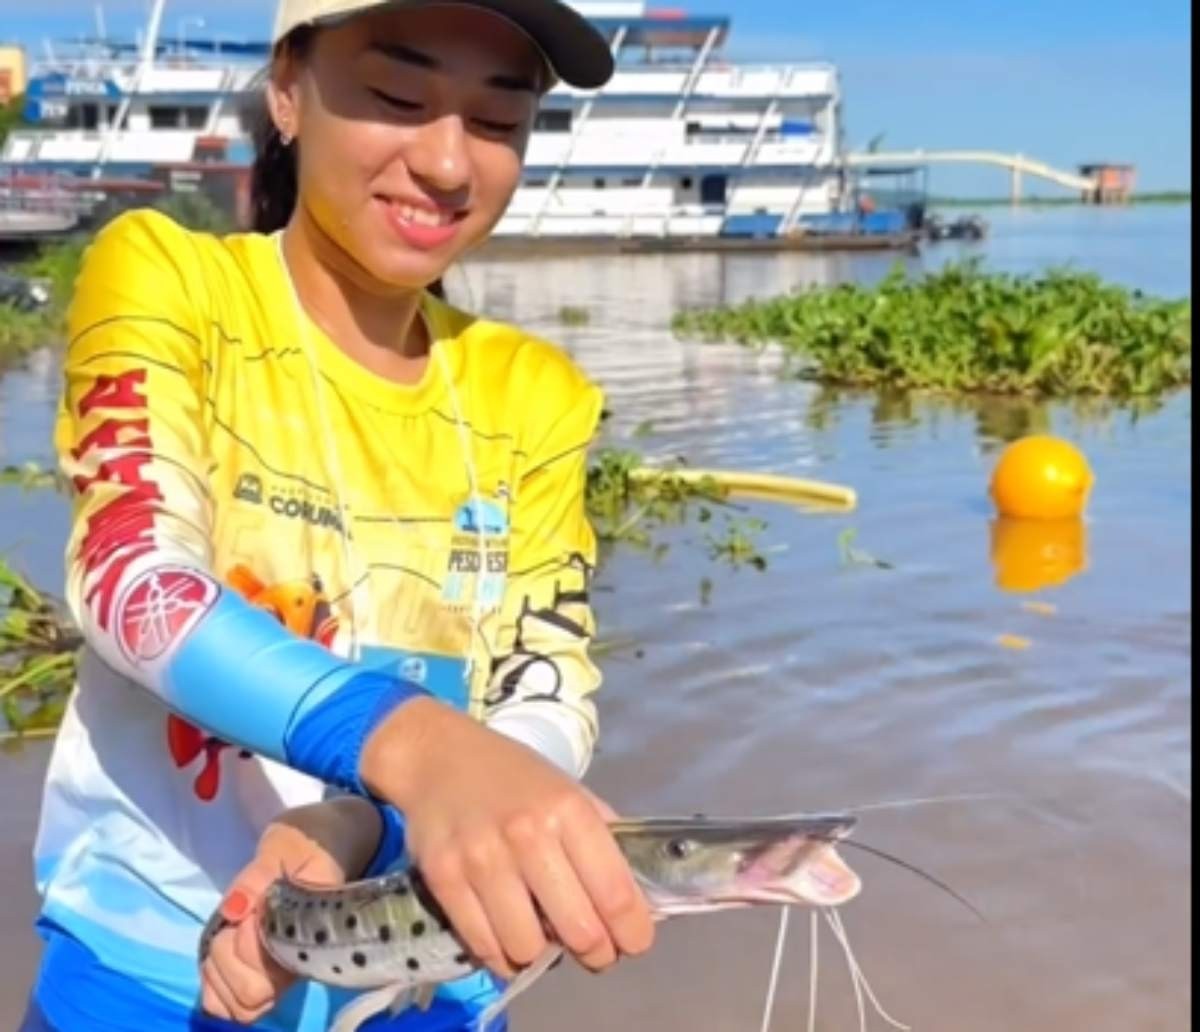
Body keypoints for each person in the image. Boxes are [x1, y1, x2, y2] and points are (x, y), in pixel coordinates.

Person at [20, 1, 656, 1029]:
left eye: (499, 121)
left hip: (432, 970)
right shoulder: (172, 282)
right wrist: (415, 749)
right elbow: (132, 580)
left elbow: (550, 684)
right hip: (151, 973)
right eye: (399, 98)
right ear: (287, 90)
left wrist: (361, 824)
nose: (450, 164)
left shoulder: (531, 393)